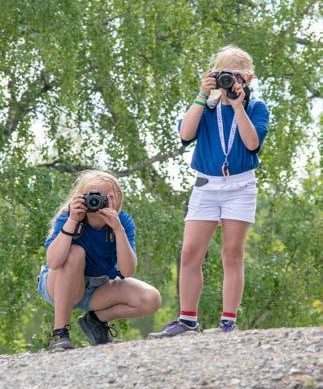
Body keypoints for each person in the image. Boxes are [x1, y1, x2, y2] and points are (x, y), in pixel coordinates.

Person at [149, 45, 269, 338]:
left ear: (249, 78)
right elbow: (185, 135)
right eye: (223, 75)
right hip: (206, 184)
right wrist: (203, 96)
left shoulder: (256, 108)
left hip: (240, 185)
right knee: (190, 252)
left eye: (236, 76)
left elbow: (252, 143)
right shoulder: (206, 108)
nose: (230, 81)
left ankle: (228, 321)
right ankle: (187, 319)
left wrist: (238, 106)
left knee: (232, 253)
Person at [37, 170, 161, 351]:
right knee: (74, 253)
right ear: (81, 198)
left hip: (97, 288)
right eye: (92, 196)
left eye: (106, 196)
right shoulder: (69, 217)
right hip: (58, 285)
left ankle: (95, 320)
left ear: (117, 198)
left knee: (151, 299)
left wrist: (118, 230)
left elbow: (127, 271)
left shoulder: (123, 222)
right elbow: (54, 262)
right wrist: (72, 221)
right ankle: (59, 334)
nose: (98, 201)